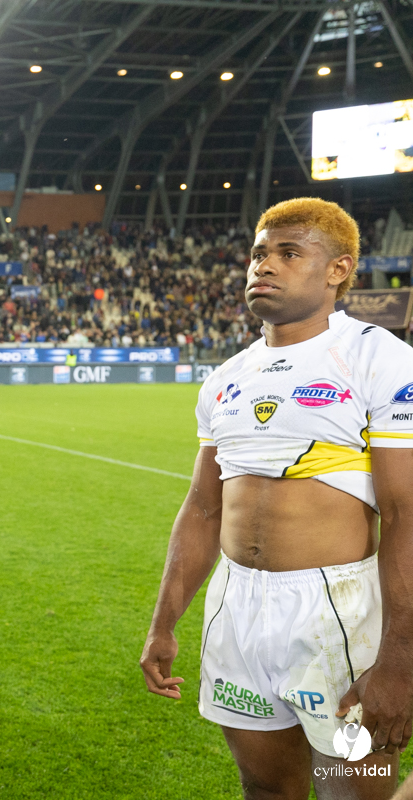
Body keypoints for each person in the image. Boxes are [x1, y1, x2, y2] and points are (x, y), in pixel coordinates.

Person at [140, 197, 413, 799]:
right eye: (260, 253)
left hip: (337, 610)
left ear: (338, 270)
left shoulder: (379, 358)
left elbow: (404, 514)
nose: (264, 266)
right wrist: (164, 623)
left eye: (290, 253)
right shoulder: (226, 376)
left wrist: (399, 655)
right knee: (264, 787)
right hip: (237, 608)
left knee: (356, 791)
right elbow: (203, 509)